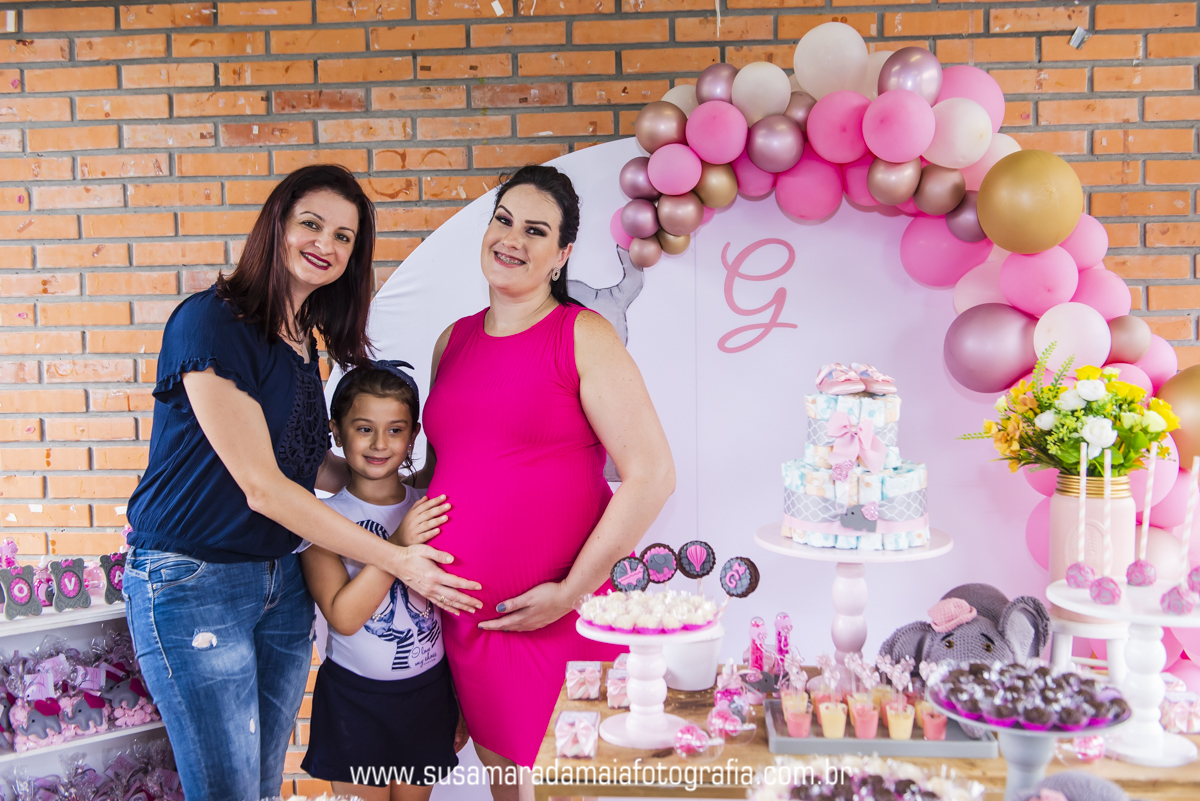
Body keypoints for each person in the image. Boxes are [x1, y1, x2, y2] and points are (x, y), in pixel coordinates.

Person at [122, 165, 481, 801]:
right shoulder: (210, 323)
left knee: (261, 785)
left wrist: (411, 481)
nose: (326, 244)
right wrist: (398, 556)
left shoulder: (301, 341)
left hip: (278, 580)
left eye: (344, 237)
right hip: (196, 580)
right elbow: (264, 486)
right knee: (228, 790)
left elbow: (303, 461)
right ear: (277, 225)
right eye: (312, 224)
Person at [412, 165, 675, 799]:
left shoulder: (583, 335)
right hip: (470, 627)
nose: (512, 239)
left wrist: (569, 593)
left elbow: (652, 475)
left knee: (573, 785)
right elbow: (446, 470)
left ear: (562, 255)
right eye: (503, 220)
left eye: (535, 231)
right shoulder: (453, 341)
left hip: (563, 616)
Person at [301, 362, 468, 801]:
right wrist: (397, 545)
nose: (380, 444)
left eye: (395, 430)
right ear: (337, 432)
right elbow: (343, 617)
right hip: (354, 702)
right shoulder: (322, 520)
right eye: (364, 429)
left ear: (414, 436)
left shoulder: (430, 507)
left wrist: (459, 698)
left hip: (427, 694)